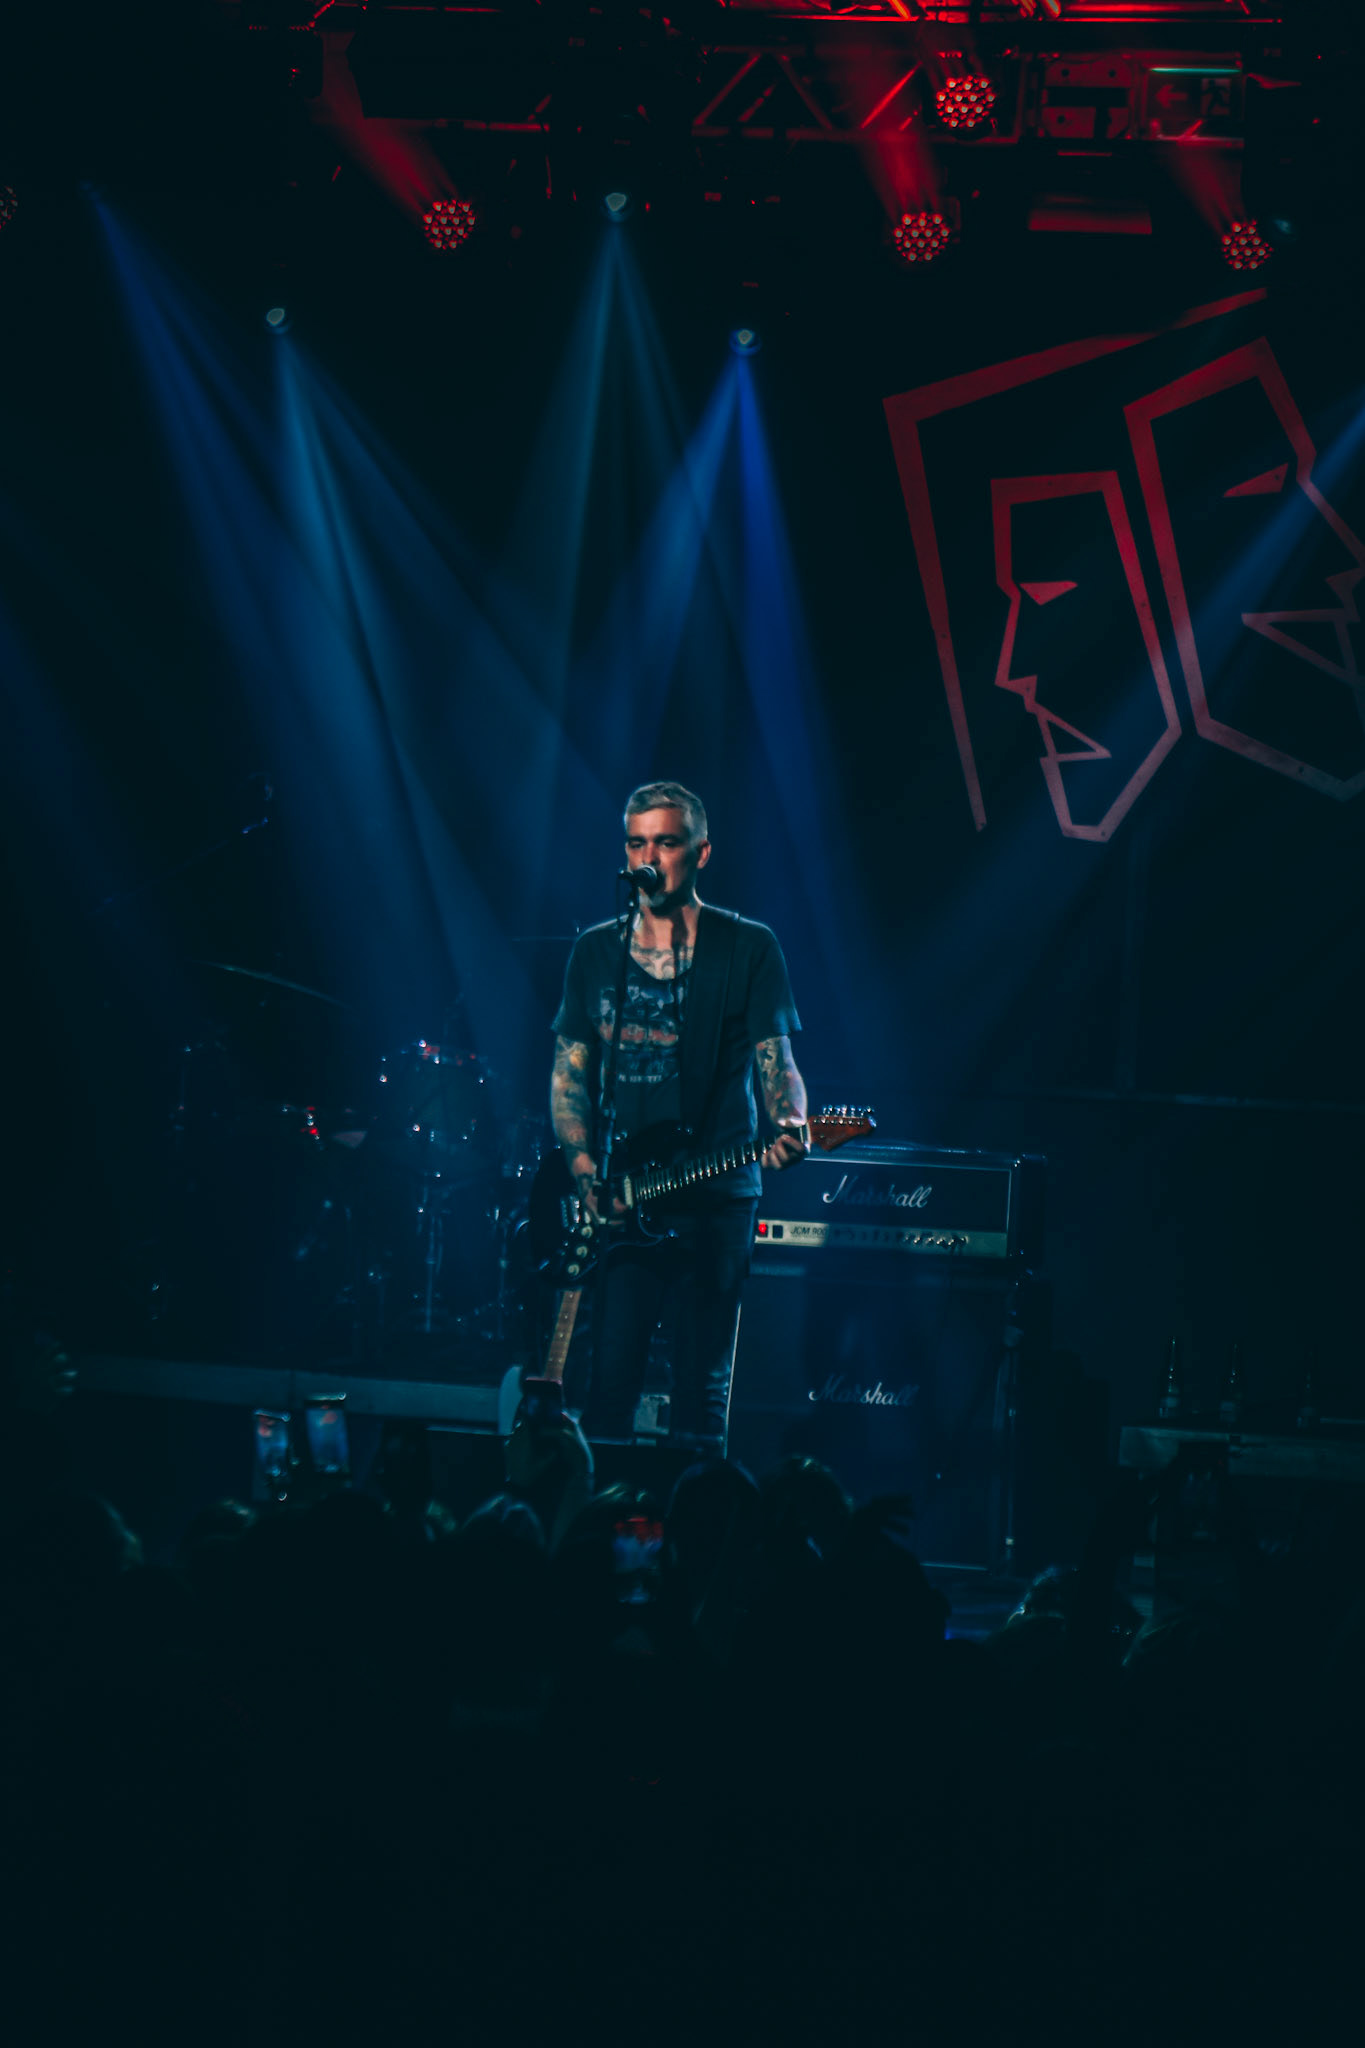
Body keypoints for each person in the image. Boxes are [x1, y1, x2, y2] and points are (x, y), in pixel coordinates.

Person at [550, 780, 808, 1453]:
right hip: (623, 1196)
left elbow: (776, 1060)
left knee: (701, 1391)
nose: (648, 857)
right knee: (609, 1386)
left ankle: (698, 1513)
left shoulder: (746, 947)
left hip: (716, 1196)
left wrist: (789, 1121)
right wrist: (584, 1171)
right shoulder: (596, 951)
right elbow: (570, 1073)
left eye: (665, 843)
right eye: (636, 843)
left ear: (701, 852)